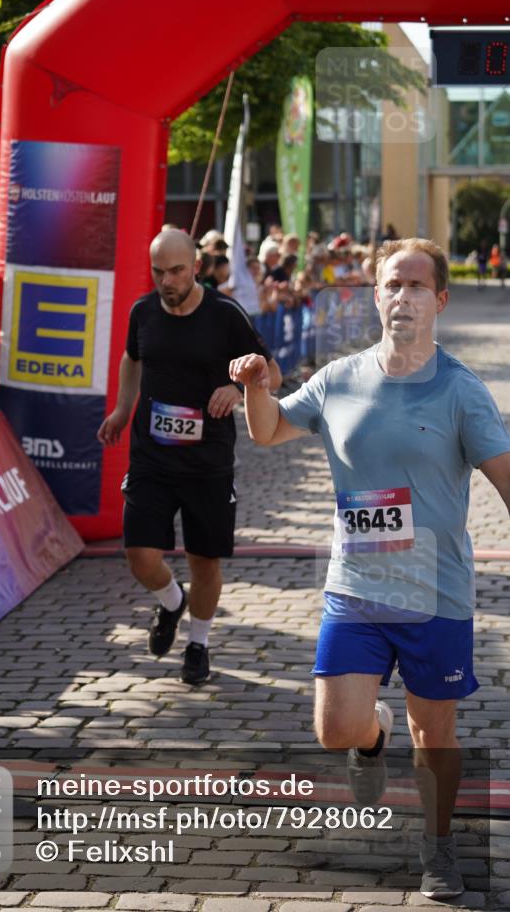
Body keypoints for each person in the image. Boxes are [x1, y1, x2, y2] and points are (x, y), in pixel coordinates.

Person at [230, 237, 510, 900]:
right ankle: (371, 731)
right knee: (336, 730)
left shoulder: (461, 393)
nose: (403, 297)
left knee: (433, 731)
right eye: (392, 284)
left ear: (440, 300)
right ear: (373, 293)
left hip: (435, 594)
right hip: (354, 590)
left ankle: (437, 848)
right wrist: (255, 388)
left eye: (417, 286)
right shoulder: (339, 378)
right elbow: (268, 432)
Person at [98, 229, 281, 685]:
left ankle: (198, 644)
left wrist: (237, 388)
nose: (167, 281)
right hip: (151, 458)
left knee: (204, 562)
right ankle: (171, 602)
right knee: (140, 557)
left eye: (177, 271)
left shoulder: (224, 315)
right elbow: (131, 358)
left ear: (196, 267)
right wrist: (123, 408)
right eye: (159, 272)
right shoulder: (143, 311)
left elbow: (269, 370)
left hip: (207, 462)